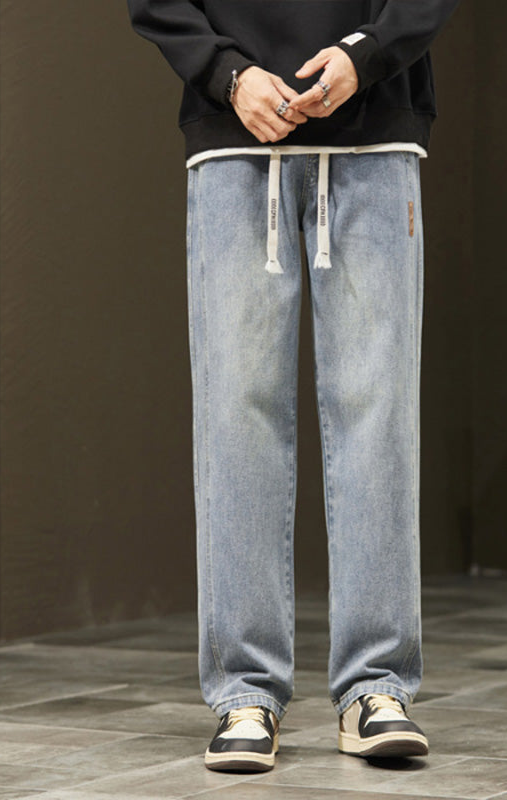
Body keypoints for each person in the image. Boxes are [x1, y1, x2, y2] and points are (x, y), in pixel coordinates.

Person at [127, 0, 460, 773]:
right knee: (235, 416)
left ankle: (376, 686)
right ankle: (244, 692)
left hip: (376, 128)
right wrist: (226, 75)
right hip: (234, 136)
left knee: (379, 414)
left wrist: (367, 54)